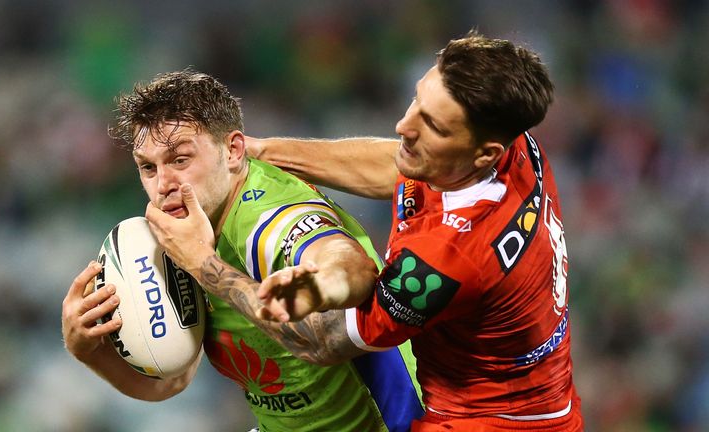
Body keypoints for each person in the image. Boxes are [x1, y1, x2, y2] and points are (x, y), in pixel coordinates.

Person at [157, 32, 584, 431]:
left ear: (483, 153)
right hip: (548, 395)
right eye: (417, 101)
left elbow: (323, 343)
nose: (404, 126)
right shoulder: (513, 144)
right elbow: (399, 168)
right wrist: (262, 150)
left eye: (433, 126)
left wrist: (204, 263)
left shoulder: (446, 259)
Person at [60, 70, 424, 432]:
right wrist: (90, 351)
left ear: (233, 150)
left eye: (180, 160)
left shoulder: (266, 220)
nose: (163, 185)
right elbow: (171, 379)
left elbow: (348, 269)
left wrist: (205, 266)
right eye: (148, 168)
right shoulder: (181, 233)